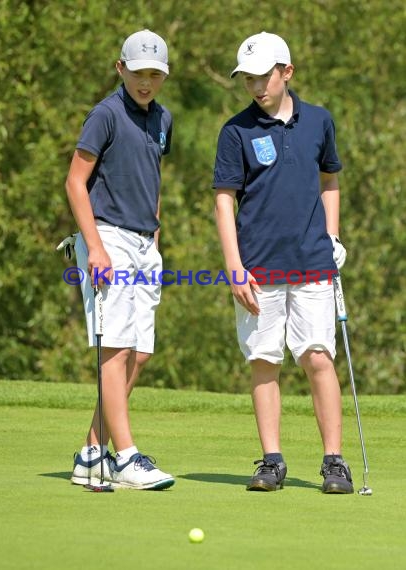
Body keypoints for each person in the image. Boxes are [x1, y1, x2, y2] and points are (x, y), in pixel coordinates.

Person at [213, 32, 353, 494]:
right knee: (264, 361)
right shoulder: (236, 130)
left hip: (313, 262)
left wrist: (332, 236)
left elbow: (329, 179)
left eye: (263, 77)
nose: (255, 86)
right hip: (258, 268)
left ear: (286, 72)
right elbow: (224, 200)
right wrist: (234, 265)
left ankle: (334, 461)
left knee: (317, 356)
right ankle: (271, 461)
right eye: (248, 79)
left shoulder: (319, 121)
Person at [65, 29, 174, 489]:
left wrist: (155, 229)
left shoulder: (163, 118)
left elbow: (152, 177)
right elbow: (75, 182)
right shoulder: (105, 115)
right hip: (108, 238)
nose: (145, 82)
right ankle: (125, 457)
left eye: (154, 74)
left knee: (140, 353)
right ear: (120, 69)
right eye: (137, 73)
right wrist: (96, 247)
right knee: (116, 351)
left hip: (146, 243)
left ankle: (93, 450)